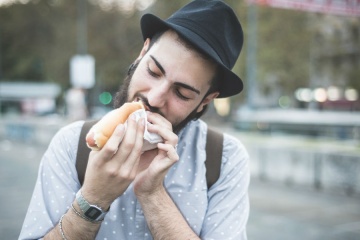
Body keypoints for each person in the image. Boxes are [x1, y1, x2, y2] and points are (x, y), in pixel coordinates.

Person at [19, 0, 250, 239]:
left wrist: (152, 194)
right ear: (142, 53)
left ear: (205, 101)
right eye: (153, 72)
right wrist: (93, 198)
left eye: (182, 93)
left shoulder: (224, 159)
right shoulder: (71, 144)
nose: (154, 97)